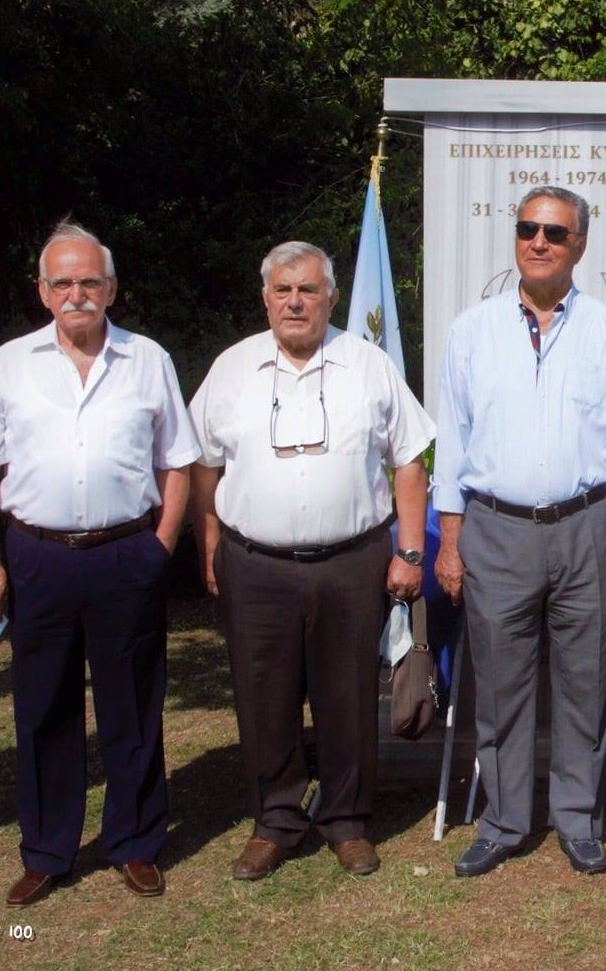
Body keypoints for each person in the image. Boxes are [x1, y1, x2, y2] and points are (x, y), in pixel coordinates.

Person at [0, 220, 198, 906]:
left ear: (111, 288)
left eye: (89, 281)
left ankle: (136, 841)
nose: (76, 294)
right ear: (42, 291)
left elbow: (177, 461)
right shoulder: (8, 364)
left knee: (133, 703)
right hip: (38, 556)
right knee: (43, 706)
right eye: (62, 282)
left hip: (126, 553)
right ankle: (48, 850)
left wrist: (160, 546)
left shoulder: (147, 359)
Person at [188, 241, 433, 881]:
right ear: (265, 298)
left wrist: (411, 551)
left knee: (346, 696)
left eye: (308, 290)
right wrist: (210, 547)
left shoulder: (369, 365)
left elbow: (410, 461)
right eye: (283, 290)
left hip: (352, 562)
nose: (295, 302)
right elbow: (203, 467)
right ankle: (275, 820)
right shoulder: (231, 369)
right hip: (254, 564)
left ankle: (346, 821)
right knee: (263, 698)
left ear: (331, 298)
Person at [433, 186, 606, 877]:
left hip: (591, 526)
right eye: (528, 228)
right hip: (496, 529)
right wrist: (449, 539)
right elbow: (453, 442)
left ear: (579, 245)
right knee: (500, 684)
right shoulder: (471, 332)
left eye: (555, 233)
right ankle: (502, 821)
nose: (538, 242)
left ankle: (577, 818)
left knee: (586, 680)